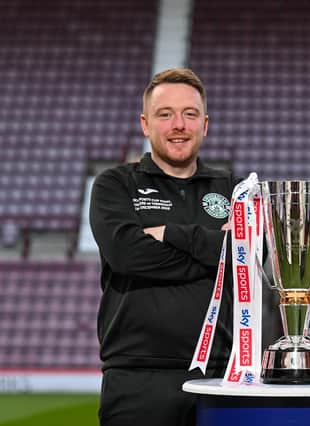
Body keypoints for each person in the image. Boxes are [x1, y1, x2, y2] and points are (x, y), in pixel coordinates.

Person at [90, 68, 234, 426]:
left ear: (206, 124)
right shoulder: (115, 185)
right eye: (165, 114)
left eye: (190, 114)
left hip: (221, 375)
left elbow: (248, 258)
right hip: (137, 376)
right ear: (145, 124)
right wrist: (216, 250)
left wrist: (171, 234)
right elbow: (128, 255)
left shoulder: (234, 189)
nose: (178, 125)